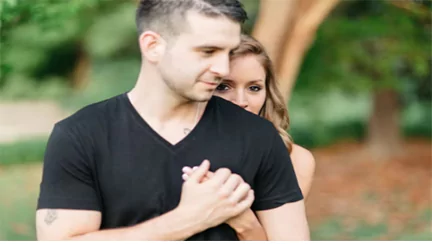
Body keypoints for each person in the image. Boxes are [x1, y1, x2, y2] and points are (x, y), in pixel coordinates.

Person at [36, 0, 309, 241]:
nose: (223, 68)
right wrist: (186, 220)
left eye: (228, 52)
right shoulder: (80, 135)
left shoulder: (258, 135)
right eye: (207, 52)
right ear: (153, 46)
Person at [181, 34, 316, 240]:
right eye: (223, 87)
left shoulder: (295, 159)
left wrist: (241, 218)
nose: (241, 101)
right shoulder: (170, 143)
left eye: (254, 88)